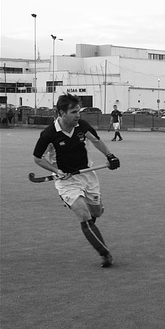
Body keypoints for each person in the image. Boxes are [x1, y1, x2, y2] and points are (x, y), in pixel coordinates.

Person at [32, 93, 120, 268]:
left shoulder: (82, 126)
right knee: (84, 214)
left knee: (97, 212)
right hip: (67, 181)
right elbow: (37, 158)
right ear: (61, 113)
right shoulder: (49, 134)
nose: (77, 115)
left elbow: (96, 141)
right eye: (73, 112)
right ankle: (105, 254)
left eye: (78, 111)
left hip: (88, 175)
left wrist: (110, 156)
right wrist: (57, 171)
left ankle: (91, 213)